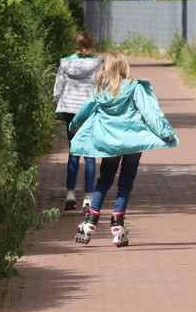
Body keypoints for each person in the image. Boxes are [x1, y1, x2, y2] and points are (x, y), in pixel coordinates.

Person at [69, 53, 178, 247]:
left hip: (109, 144)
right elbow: (150, 113)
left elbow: (85, 111)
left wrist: (73, 126)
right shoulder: (135, 88)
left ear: (106, 68)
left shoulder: (101, 90)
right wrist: (165, 133)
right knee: (126, 182)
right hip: (133, 142)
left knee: (104, 180)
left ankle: (92, 218)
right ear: (124, 67)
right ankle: (117, 221)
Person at [53, 31, 103, 211]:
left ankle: (70, 193)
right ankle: (88, 197)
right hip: (89, 111)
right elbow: (102, 88)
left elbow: (58, 89)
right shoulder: (98, 64)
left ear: (75, 44)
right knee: (90, 154)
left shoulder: (65, 64)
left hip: (70, 111)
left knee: (74, 152)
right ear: (91, 44)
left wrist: (57, 108)